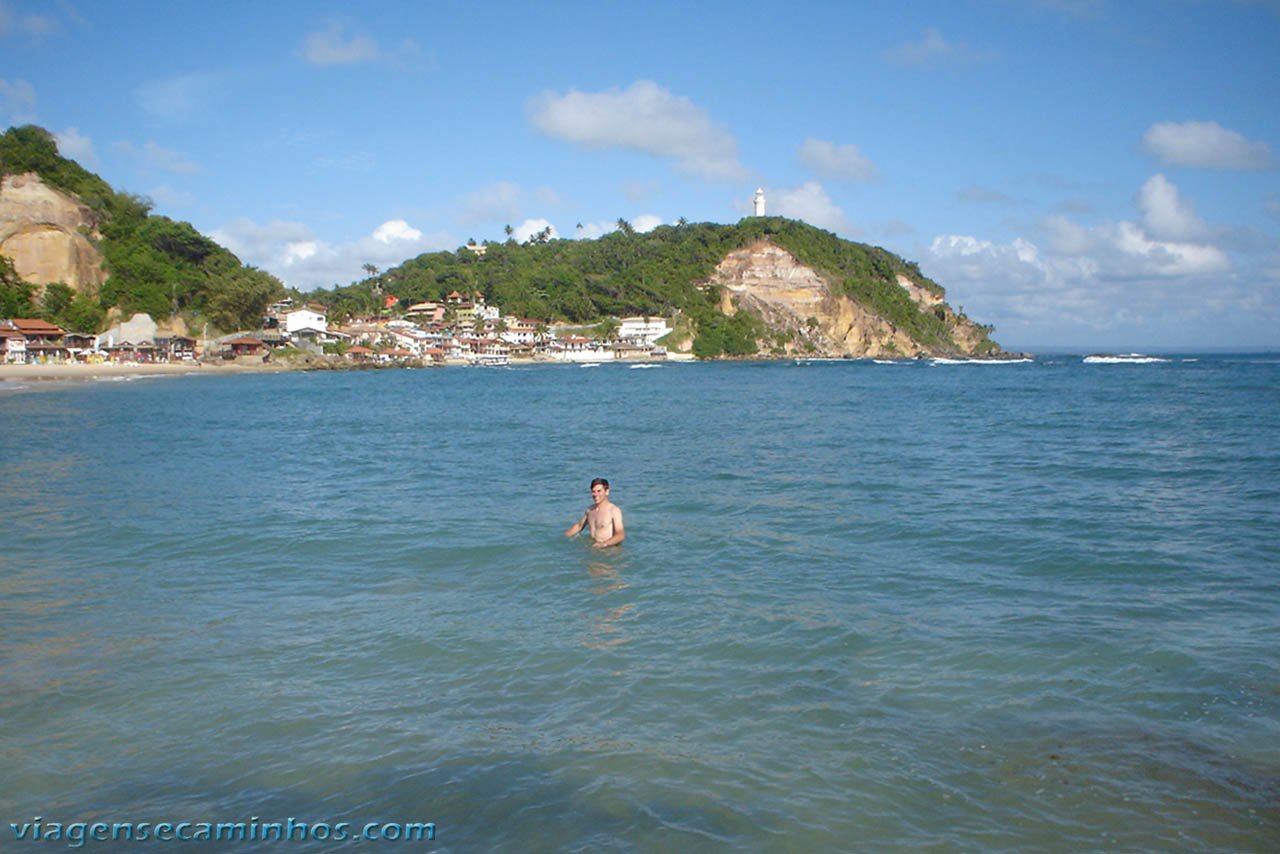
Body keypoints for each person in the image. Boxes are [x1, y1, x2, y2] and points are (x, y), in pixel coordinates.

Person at [565, 478, 625, 548]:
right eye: (593, 491)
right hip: (593, 549)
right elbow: (579, 526)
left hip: (609, 551)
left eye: (599, 491)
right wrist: (564, 536)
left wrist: (604, 544)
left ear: (607, 492)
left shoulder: (614, 511)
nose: (595, 494)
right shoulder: (590, 510)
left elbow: (620, 535)